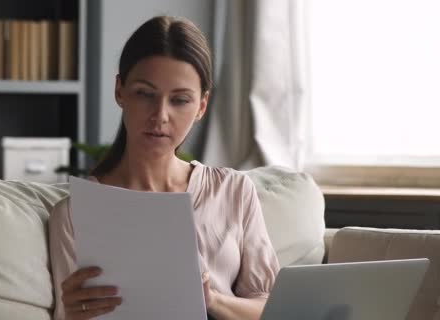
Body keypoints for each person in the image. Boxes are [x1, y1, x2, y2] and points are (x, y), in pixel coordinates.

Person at [49, 15, 279, 320]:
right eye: (145, 94)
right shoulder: (75, 213)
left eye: (180, 100)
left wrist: (212, 301)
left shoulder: (233, 191)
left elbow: (275, 308)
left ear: (201, 106)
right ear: (120, 90)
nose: (160, 115)